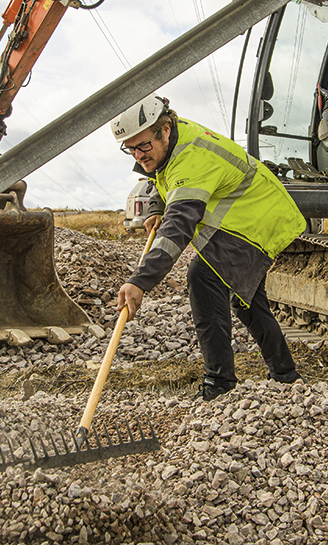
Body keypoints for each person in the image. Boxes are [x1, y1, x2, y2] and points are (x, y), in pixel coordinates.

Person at [112, 94, 306, 401]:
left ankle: (219, 383)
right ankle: (286, 376)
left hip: (256, 218)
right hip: (247, 216)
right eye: (130, 148)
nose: (138, 155)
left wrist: (141, 281)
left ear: (164, 129)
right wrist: (154, 207)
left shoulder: (192, 157)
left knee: (203, 276)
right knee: (248, 299)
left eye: (143, 146)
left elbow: (178, 227)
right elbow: (162, 176)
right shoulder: (171, 141)